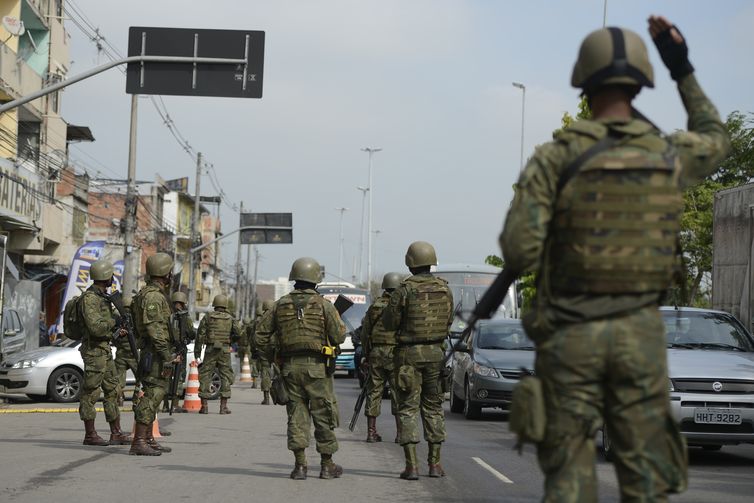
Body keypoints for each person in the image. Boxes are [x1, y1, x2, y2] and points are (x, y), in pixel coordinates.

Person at [499, 17, 730, 502]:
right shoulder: (670, 154)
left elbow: (520, 250)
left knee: (568, 478)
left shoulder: (554, 158)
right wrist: (681, 66)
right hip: (640, 336)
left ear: (582, 80)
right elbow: (715, 137)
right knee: (645, 479)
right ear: (642, 82)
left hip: (571, 335)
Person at [257, 257, 346, 480]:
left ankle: (300, 466)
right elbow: (339, 336)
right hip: (317, 369)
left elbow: (259, 335)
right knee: (323, 414)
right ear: (316, 279)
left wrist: (272, 358)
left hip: (289, 369)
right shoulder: (324, 305)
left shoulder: (280, 304)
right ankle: (327, 466)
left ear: (294, 278)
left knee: (296, 416)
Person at [383, 242, 453, 480]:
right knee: (434, 408)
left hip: (408, 356)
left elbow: (389, 323)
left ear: (409, 261)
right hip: (436, 354)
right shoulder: (445, 289)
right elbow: (449, 321)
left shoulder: (403, 290)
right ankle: (435, 465)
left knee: (408, 409)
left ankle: (412, 467)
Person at [129, 252, 181, 456]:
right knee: (152, 395)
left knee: (156, 394)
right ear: (164, 273)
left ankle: (148, 438)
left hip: (155, 351)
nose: (171, 276)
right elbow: (155, 329)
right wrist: (167, 354)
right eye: (169, 272)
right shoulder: (153, 297)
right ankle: (139, 441)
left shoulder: (148, 294)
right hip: (155, 353)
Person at [77, 259, 132, 446]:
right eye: (111, 276)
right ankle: (90, 435)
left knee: (113, 390)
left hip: (105, 349)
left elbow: (106, 328)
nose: (112, 279)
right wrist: (114, 323)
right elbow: (96, 328)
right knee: (91, 391)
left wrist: (118, 331)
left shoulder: (103, 297)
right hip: (94, 351)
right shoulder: (90, 299)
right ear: (104, 276)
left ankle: (116, 432)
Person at [361, 272, 403, 443]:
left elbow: (365, 332)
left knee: (374, 392)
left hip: (376, 353)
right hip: (396, 354)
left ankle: (371, 432)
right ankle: (400, 434)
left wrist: (366, 354)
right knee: (398, 393)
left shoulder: (375, 306)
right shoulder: (402, 305)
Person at [194, 294, 241, 414]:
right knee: (225, 375)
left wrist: (197, 350)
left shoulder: (208, 316)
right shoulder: (230, 318)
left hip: (210, 349)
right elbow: (239, 333)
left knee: (205, 374)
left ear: (215, 304)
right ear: (225, 305)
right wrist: (231, 340)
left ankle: (204, 406)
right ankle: (223, 407)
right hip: (224, 349)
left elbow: (200, 334)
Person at [163, 291, 195, 413]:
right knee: (179, 376)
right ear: (184, 303)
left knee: (166, 375)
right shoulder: (185, 317)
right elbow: (192, 333)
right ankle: (175, 404)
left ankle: (165, 404)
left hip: (168, 349)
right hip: (180, 349)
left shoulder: (167, 315)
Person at [114, 296, 140, 408]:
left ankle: (119, 398)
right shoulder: (136, 317)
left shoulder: (117, 318)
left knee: (119, 379)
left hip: (121, 353)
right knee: (140, 378)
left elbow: (113, 337)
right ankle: (136, 400)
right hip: (133, 353)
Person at [251, 299, 275, 404]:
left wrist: (254, 349)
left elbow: (254, 336)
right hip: (277, 348)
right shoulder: (278, 317)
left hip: (264, 349)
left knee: (265, 371)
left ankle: (266, 397)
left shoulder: (259, 320)